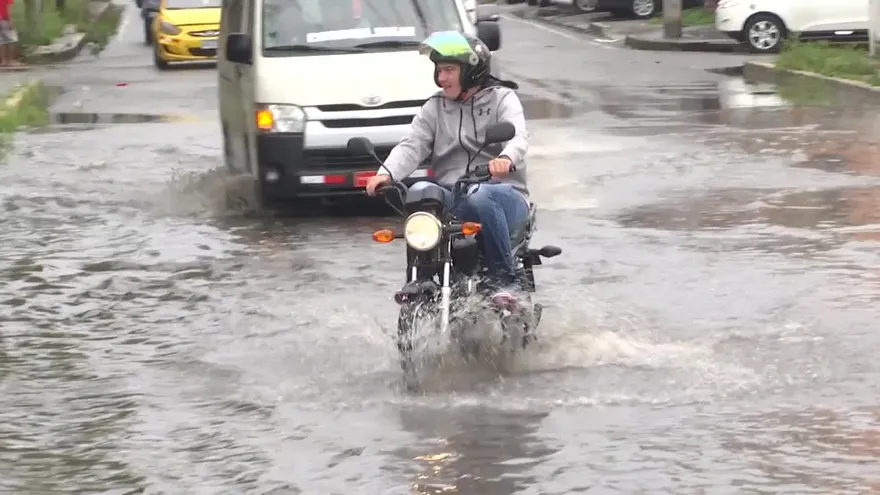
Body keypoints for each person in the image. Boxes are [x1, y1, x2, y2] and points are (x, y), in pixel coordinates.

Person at [365, 30, 530, 307]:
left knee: (479, 194)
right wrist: (386, 173)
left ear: (472, 71)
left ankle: (503, 281)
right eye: (439, 71)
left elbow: (519, 138)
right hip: (454, 195)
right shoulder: (435, 107)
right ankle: (419, 276)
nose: (441, 78)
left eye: (449, 70)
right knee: (419, 191)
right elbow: (412, 145)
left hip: (503, 194)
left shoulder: (502, 99)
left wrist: (507, 158)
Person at [0, 0, 21, 67]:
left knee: (2, 41)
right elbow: (7, 9)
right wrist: (10, 21)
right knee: (12, 39)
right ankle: (11, 61)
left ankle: (4, 61)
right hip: (5, 19)